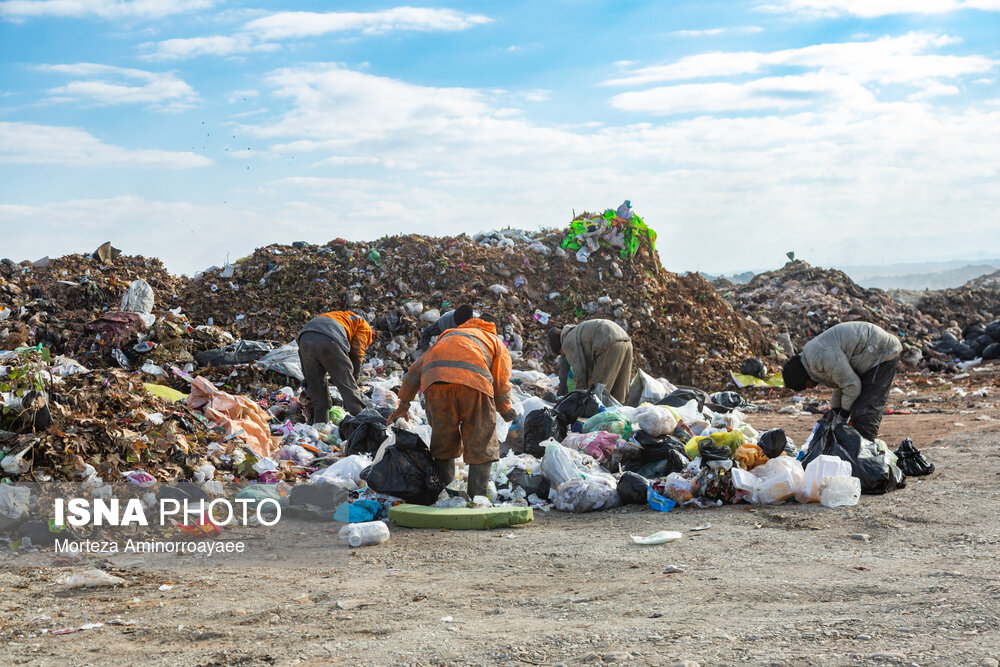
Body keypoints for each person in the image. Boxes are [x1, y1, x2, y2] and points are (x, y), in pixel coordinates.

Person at [387, 316, 516, 499]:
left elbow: (414, 373)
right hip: (474, 385)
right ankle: (477, 499)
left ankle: (444, 495)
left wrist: (404, 404)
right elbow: (501, 383)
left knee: (443, 442)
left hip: (435, 385)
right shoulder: (494, 341)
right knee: (481, 441)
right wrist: (505, 410)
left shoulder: (447, 336)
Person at [782, 322, 902, 441]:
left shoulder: (819, 358)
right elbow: (841, 384)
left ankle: (864, 454)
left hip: (881, 352)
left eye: (806, 386)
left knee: (864, 414)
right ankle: (858, 452)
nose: (811, 387)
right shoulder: (811, 356)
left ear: (803, 378)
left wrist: (842, 416)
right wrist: (834, 411)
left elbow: (852, 386)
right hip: (870, 353)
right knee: (857, 412)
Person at [298, 310, 374, 422]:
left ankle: (320, 425)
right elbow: (357, 352)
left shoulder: (337, 315)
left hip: (305, 339)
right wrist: (354, 377)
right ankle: (363, 423)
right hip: (329, 339)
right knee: (347, 386)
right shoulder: (362, 322)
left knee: (316, 388)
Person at [548, 319, 633, 404]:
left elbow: (579, 372)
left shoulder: (567, 342)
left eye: (563, 354)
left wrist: (578, 399)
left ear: (561, 347)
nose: (565, 356)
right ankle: (621, 413)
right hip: (626, 340)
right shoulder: (576, 332)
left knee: (597, 394)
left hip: (608, 343)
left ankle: (601, 416)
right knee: (619, 389)